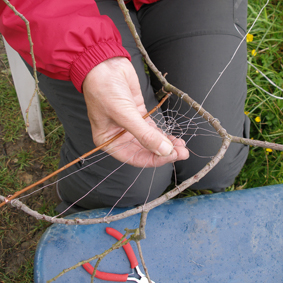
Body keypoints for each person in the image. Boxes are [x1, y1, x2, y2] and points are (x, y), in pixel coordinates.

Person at [0, 0, 250, 214]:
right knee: (132, 180)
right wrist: (90, 56)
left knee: (215, 160)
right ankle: (82, 200)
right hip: (60, 10)